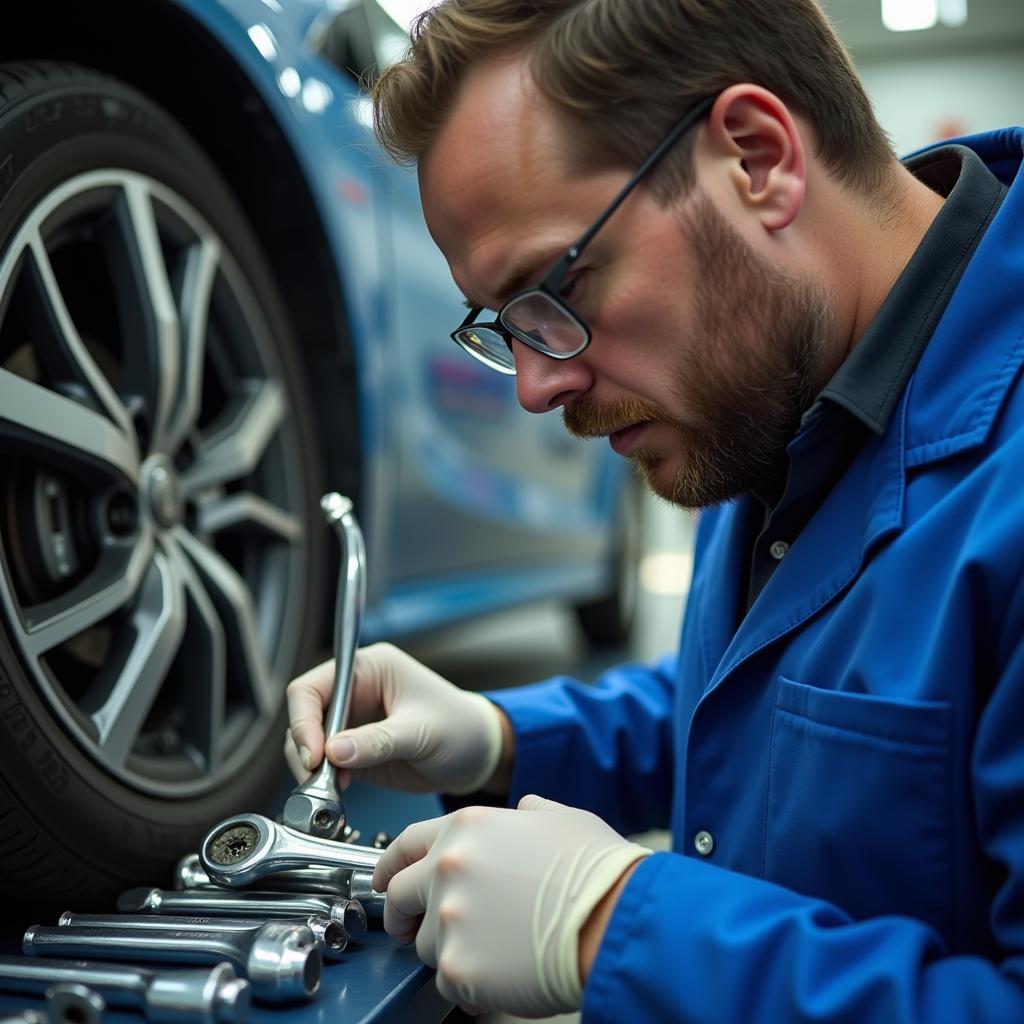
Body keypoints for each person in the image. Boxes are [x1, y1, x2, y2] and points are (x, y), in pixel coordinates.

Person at [285, 0, 1024, 1019]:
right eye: (504, 328)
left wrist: (610, 924)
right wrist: (498, 736)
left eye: (555, 286)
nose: (534, 389)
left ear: (757, 159)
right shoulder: (772, 384)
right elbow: (769, 706)